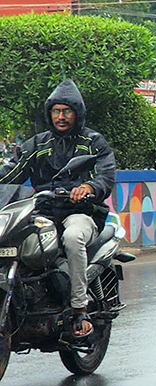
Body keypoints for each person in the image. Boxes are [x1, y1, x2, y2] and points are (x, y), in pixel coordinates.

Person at [0, 79, 116, 337]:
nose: (61, 116)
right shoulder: (38, 144)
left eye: (67, 111)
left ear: (77, 113)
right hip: (45, 211)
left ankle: (78, 309)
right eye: (56, 111)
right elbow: (11, 173)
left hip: (81, 212)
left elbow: (105, 177)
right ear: (49, 113)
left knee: (73, 238)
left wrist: (88, 188)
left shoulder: (93, 143)